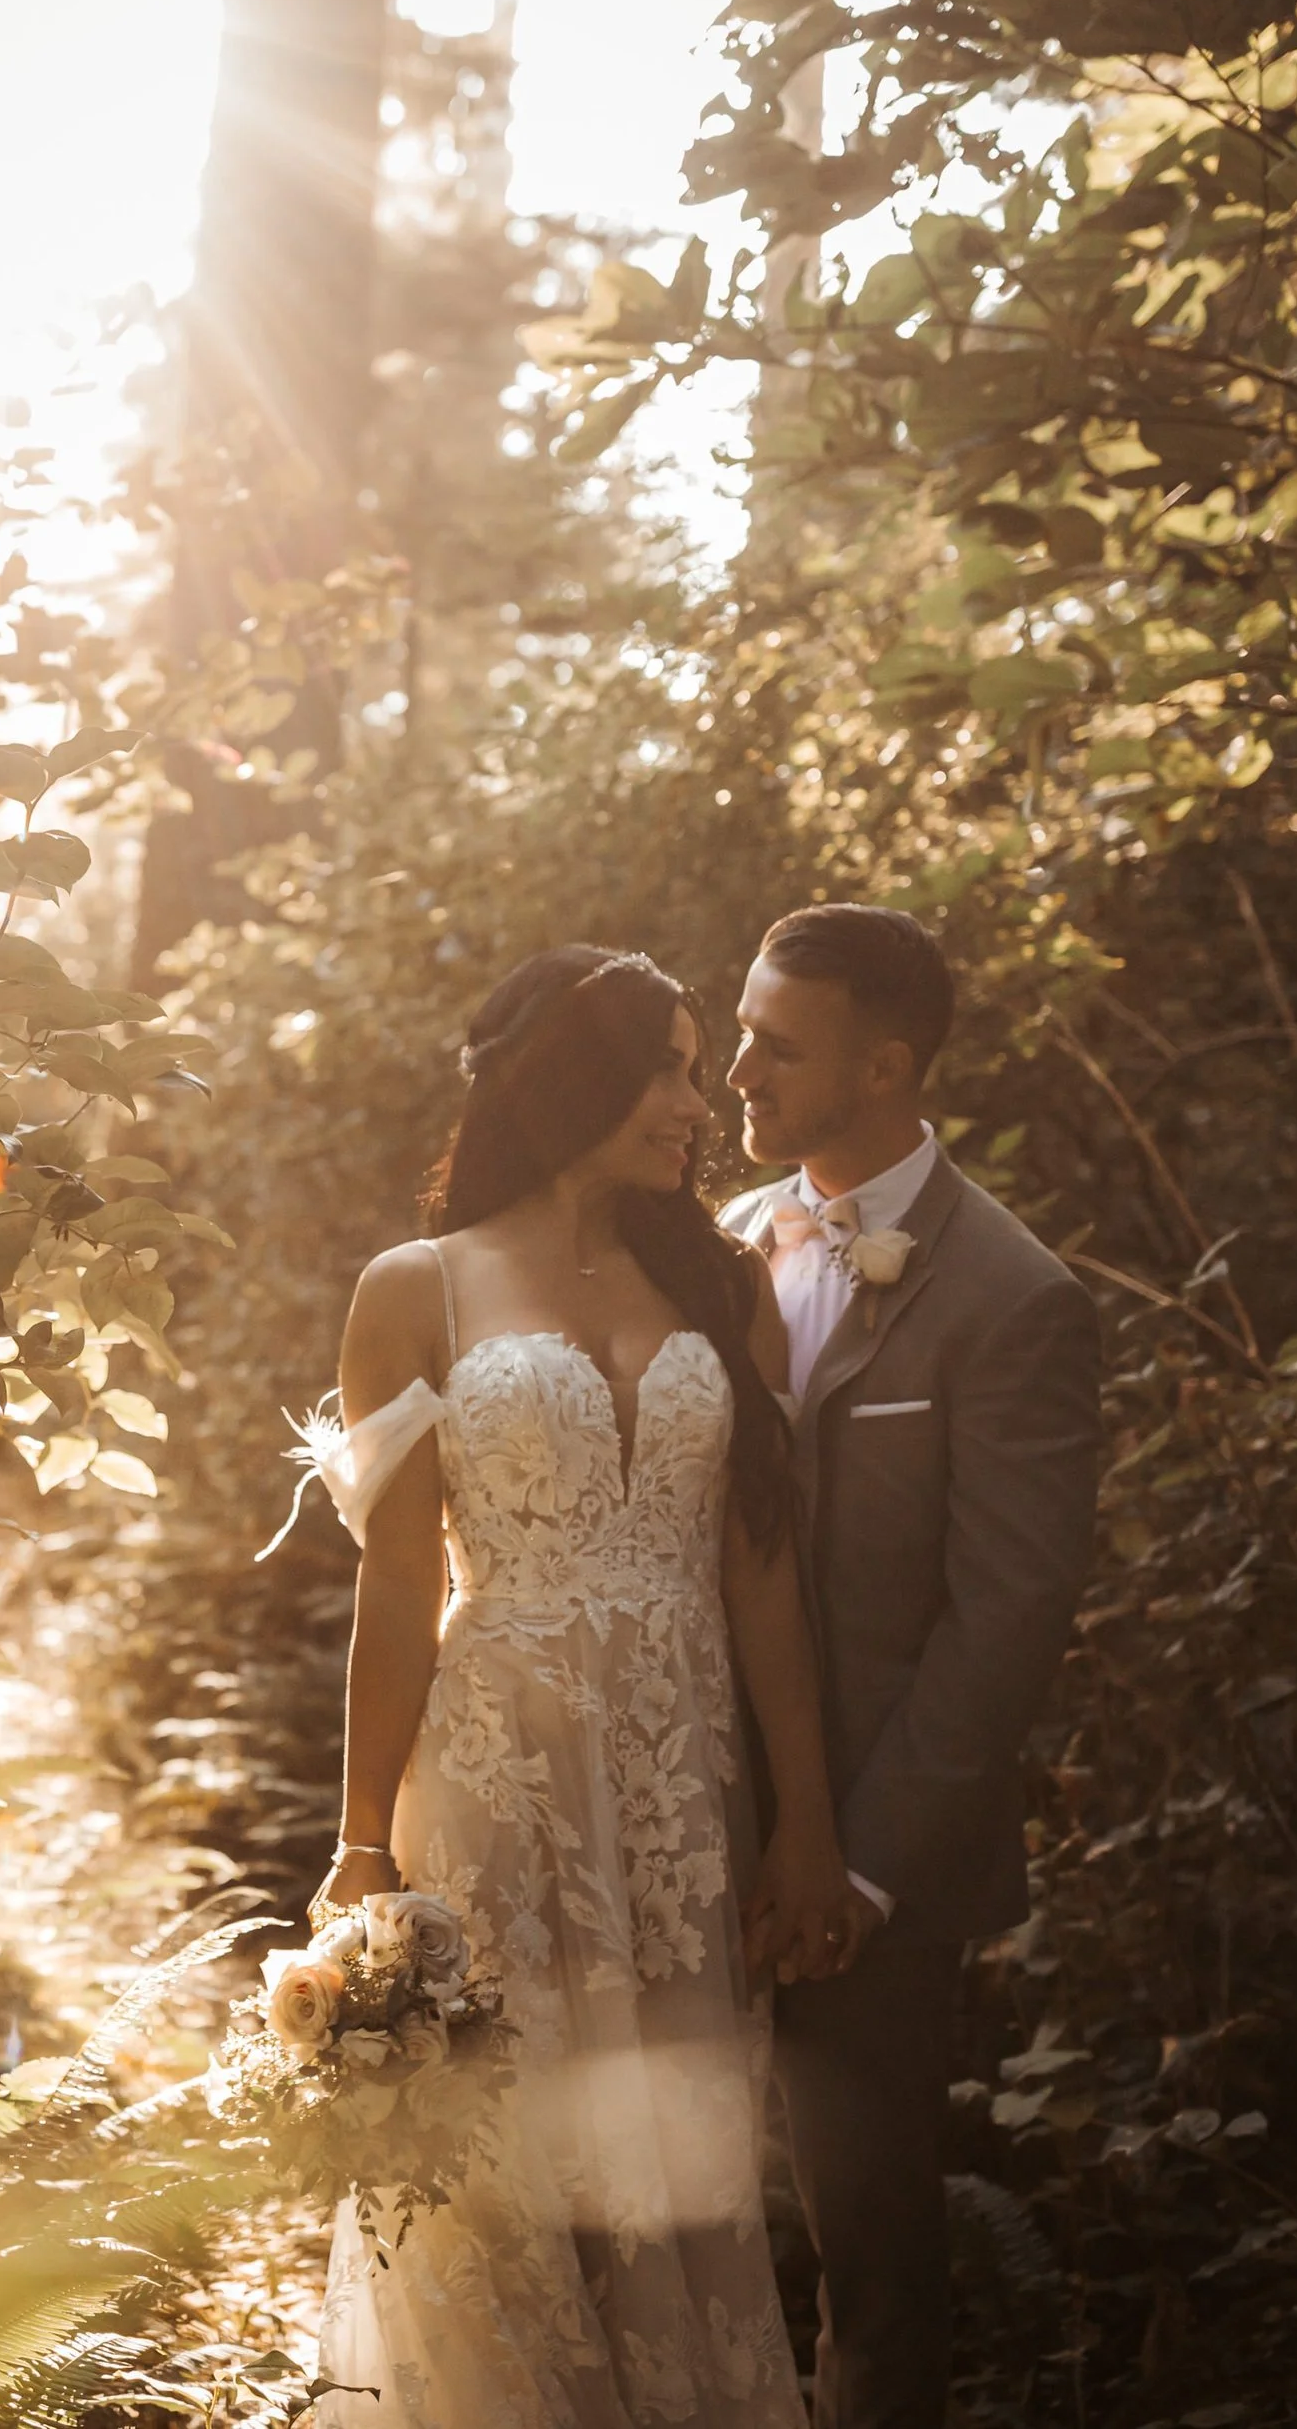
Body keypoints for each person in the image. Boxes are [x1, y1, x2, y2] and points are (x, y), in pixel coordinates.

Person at [304, 944, 852, 2427]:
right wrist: (362, 1842)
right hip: (496, 1783)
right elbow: (398, 1591)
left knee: (673, 2168)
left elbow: (761, 1580)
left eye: (698, 1069)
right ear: (576, 1078)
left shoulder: (722, 1284)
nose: (699, 1104)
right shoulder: (413, 1289)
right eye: (669, 1069)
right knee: (506, 2174)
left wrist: (808, 1820)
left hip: (683, 1790)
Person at [719, 905, 1104, 2429]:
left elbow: (1008, 1615)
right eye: (739, 1033)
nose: (738, 1071)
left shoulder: (1015, 1298)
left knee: (870, 2269)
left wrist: (859, 1869)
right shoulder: (715, 1248)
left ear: (884, 1068)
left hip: (872, 1872)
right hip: (678, 1816)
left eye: (775, 1044)